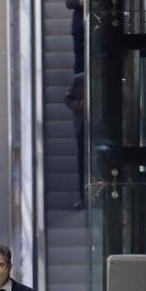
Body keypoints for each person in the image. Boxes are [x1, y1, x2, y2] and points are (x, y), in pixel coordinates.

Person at [64, 71, 86, 209]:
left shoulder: (108, 76)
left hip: (101, 126)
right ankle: (83, 198)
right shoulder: (79, 79)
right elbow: (67, 99)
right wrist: (79, 104)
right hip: (83, 126)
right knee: (82, 163)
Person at [66, 0, 85, 74]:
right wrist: (79, 2)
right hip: (79, 28)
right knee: (79, 58)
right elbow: (68, 3)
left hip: (94, 27)